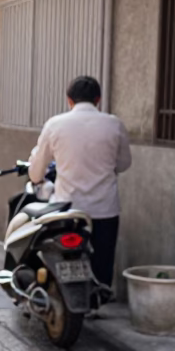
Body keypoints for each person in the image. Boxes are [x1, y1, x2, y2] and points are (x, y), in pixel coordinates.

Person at [28, 76, 132, 301]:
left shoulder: (55, 124)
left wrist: (37, 178)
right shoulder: (114, 124)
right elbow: (124, 164)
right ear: (98, 100)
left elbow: (36, 171)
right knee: (102, 257)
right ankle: (99, 296)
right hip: (104, 208)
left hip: (66, 208)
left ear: (69, 100)